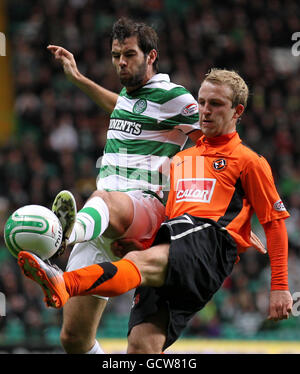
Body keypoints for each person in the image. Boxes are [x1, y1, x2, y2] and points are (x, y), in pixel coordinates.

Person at [18, 68, 292, 354]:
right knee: (142, 347)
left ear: (237, 111)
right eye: (201, 102)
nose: (205, 111)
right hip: (178, 241)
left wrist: (280, 286)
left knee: (139, 262)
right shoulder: (183, 160)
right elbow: (174, 217)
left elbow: (274, 224)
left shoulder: (248, 161)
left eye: (216, 104)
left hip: (210, 243)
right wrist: (143, 243)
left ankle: (64, 282)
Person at [45, 17, 202, 354]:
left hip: (142, 205)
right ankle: (72, 232)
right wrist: (77, 79)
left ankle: (59, 236)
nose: (121, 62)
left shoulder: (175, 97)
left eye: (129, 54)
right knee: (73, 338)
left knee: (103, 197)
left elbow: (218, 146)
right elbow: (118, 108)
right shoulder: (128, 97)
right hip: (102, 222)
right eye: (116, 55)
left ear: (152, 56)